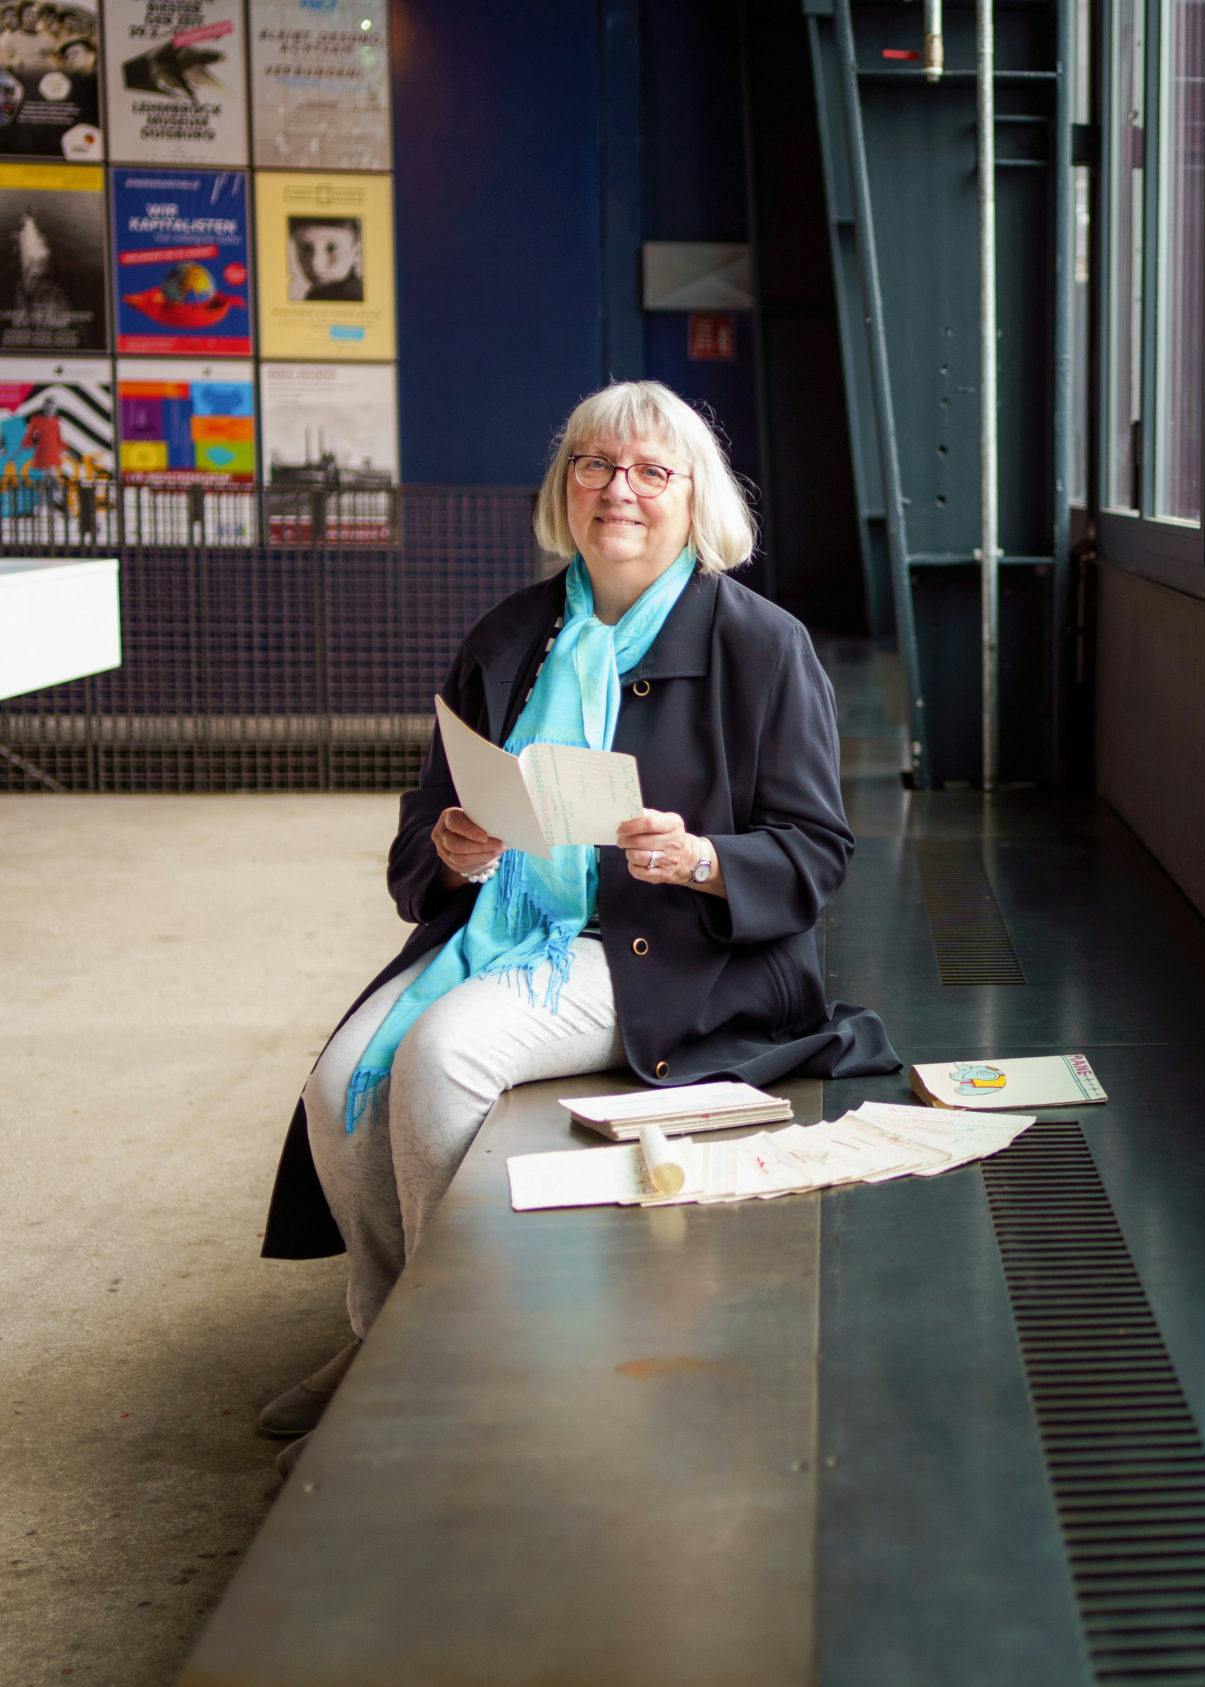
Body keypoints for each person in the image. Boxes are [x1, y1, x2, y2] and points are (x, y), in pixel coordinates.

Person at [253, 380, 897, 1472]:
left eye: (653, 470)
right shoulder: (510, 635)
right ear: (566, 487)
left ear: (697, 496)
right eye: (596, 465)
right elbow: (420, 831)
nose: (621, 491)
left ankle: (461, 1356)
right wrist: (451, 851)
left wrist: (701, 858)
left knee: (441, 1060)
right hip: (505, 926)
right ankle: (387, 1332)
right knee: (335, 1083)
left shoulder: (762, 644)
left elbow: (817, 851)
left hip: (670, 953)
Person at [287, 216, 361, 302]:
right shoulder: (317, 295)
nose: (315, 263)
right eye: (306, 248)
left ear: (356, 253)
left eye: (332, 248)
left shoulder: (351, 299)